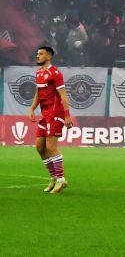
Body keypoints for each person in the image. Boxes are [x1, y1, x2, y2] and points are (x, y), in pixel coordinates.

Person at [29, 45, 73, 194]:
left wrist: (67, 116)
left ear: (49, 56)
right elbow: (38, 94)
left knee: (51, 146)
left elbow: (63, 96)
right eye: (37, 54)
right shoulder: (39, 73)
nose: (37, 56)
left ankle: (61, 180)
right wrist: (32, 109)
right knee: (40, 147)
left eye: (40, 54)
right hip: (45, 114)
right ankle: (54, 177)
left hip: (56, 113)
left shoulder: (55, 73)